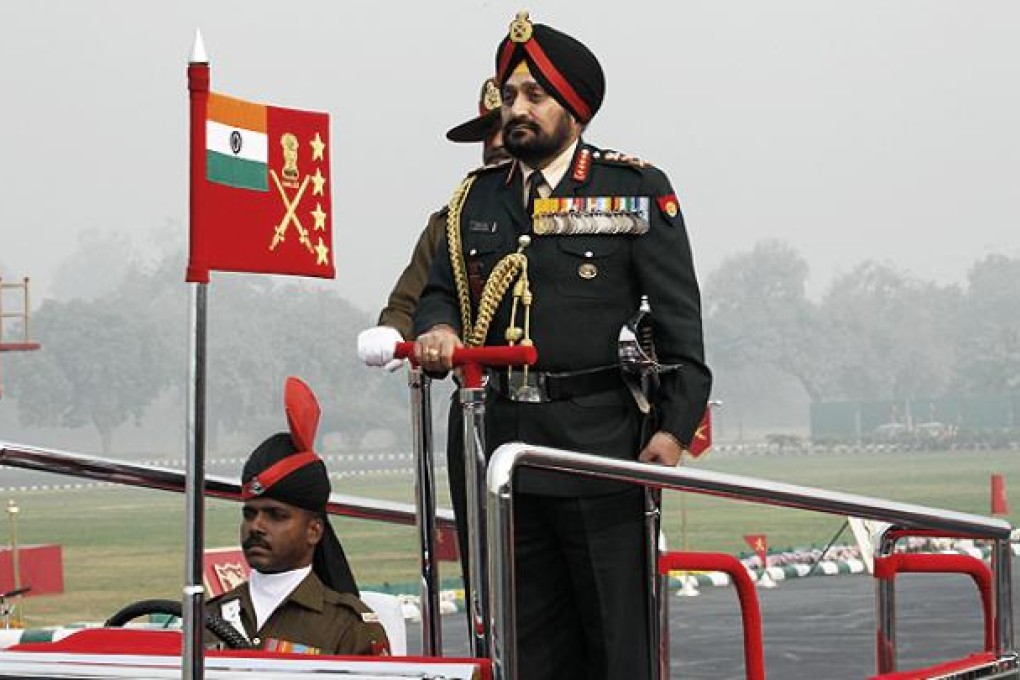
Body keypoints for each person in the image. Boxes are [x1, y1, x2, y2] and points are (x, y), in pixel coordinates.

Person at [413, 12, 711, 680]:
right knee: (523, 648)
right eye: (509, 95)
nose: (516, 109)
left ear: (573, 108)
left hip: (599, 447)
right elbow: (440, 292)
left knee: (614, 642)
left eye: (534, 97)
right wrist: (437, 329)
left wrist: (672, 432)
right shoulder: (474, 200)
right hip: (498, 450)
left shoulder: (634, 190)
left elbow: (681, 328)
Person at [356, 76, 509, 605]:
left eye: (505, 131)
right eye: (488, 134)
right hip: (479, 409)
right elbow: (409, 302)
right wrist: (395, 335)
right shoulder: (451, 224)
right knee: (487, 571)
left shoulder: (574, 215)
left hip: (568, 413)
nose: (495, 144)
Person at [207, 377, 390, 656]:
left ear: (313, 531)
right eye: (250, 513)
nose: (256, 526)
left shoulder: (348, 626)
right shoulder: (208, 617)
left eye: (276, 516)